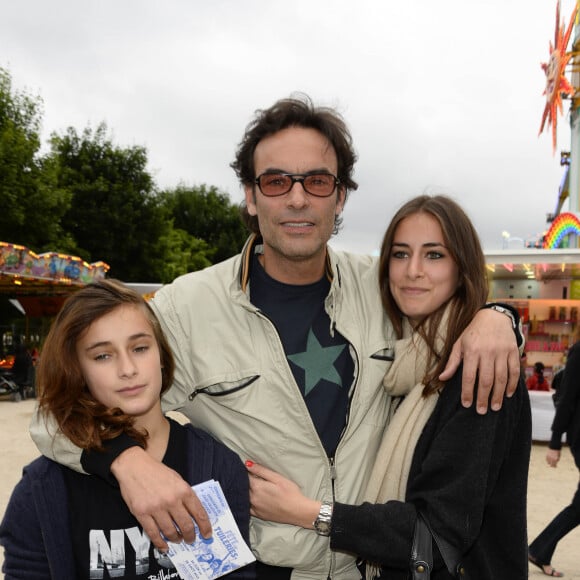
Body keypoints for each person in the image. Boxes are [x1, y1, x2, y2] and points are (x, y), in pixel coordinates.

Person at [30, 95, 523, 579]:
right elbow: (57, 409)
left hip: (370, 564)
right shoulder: (186, 309)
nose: (297, 197)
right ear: (251, 195)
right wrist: (126, 463)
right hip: (267, 567)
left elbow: (449, 305)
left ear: (340, 195)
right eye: (276, 180)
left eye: (317, 180)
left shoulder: (384, 288)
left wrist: (498, 316)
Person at [246, 195, 531, 579]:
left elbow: (437, 529)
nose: (413, 270)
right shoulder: (406, 360)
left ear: (462, 267)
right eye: (399, 254)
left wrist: (304, 511)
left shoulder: (477, 368)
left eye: (434, 255)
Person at [0, 279, 254, 579]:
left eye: (140, 348)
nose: (128, 369)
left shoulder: (217, 464)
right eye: (102, 356)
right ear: (77, 370)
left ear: (161, 355)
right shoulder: (41, 491)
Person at [528, 328, 580, 577]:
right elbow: (568, 397)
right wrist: (555, 442)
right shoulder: (579, 351)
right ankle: (540, 549)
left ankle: (540, 549)